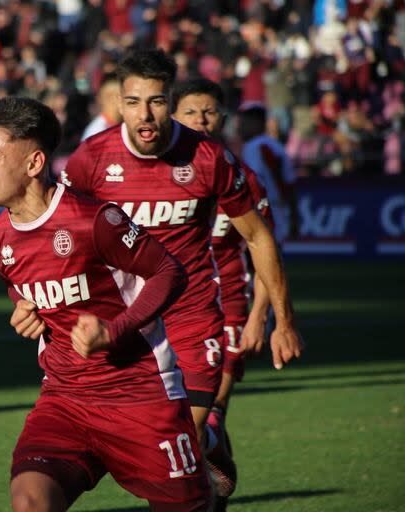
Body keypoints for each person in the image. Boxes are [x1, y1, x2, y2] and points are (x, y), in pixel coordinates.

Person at [48, 48, 302, 494]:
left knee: (179, 450)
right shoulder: (91, 158)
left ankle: (204, 445)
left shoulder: (207, 158)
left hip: (191, 316)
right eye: (132, 102)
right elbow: (55, 234)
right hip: (123, 321)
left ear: (169, 99)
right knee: (157, 453)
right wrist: (34, 298)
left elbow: (259, 238)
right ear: (118, 103)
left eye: (156, 101)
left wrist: (282, 319)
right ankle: (208, 449)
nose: (144, 114)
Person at [0, 96, 210, 511]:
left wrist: (114, 330)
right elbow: (19, 287)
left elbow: (168, 272)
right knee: (30, 501)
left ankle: (205, 445)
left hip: (139, 396)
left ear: (33, 164)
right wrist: (24, 306)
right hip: (64, 399)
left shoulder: (94, 219)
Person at [172, 78, 274, 510]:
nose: (201, 120)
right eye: (191, 111)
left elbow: (266, 250)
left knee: (206, 413)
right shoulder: (155, 175)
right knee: (180, 427)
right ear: (173, 116)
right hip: (170, 315)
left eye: (210, 111)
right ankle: (213, 467)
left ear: (224, 117)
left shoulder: (239, 175)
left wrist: (260, 317)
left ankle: (209, 474)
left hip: (228, 310)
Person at [239, 102, 299, 245]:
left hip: (267, 208)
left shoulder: (259, 146)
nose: (240, 126)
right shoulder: (271, 144)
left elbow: (282, 181)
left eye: (245, 121)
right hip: (270, 207)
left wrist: (293, 215)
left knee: (267, 254)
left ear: (258, 122)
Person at [80, 72, 122, 141]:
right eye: (110, 96)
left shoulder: (123, 127)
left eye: (119, 95)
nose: (115, 101)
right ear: (99, 98)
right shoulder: (96, 133)